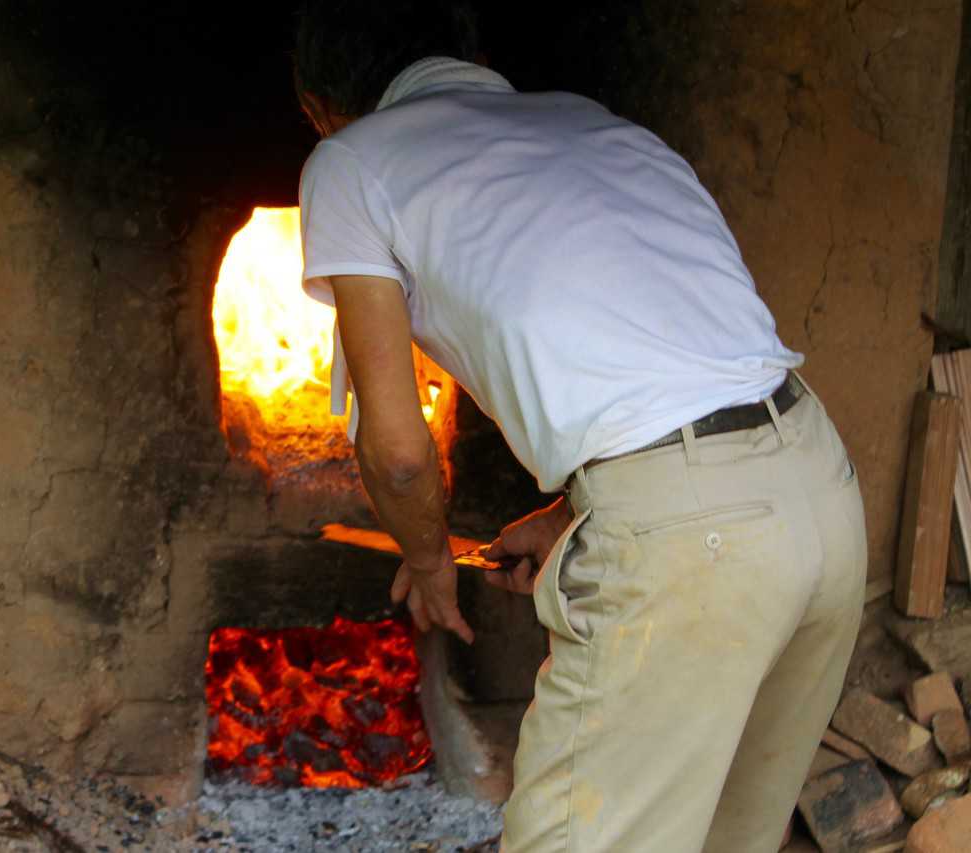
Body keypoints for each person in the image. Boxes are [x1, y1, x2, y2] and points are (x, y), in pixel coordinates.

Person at [292, 1, 867, 851]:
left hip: (691, 550)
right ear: (474, 52)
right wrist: (574, 516)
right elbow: (690, 376)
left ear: (320, 109)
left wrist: (428, 558)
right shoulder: (592, 124)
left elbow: (402, 456)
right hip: (821, 490)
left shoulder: (348, 161)